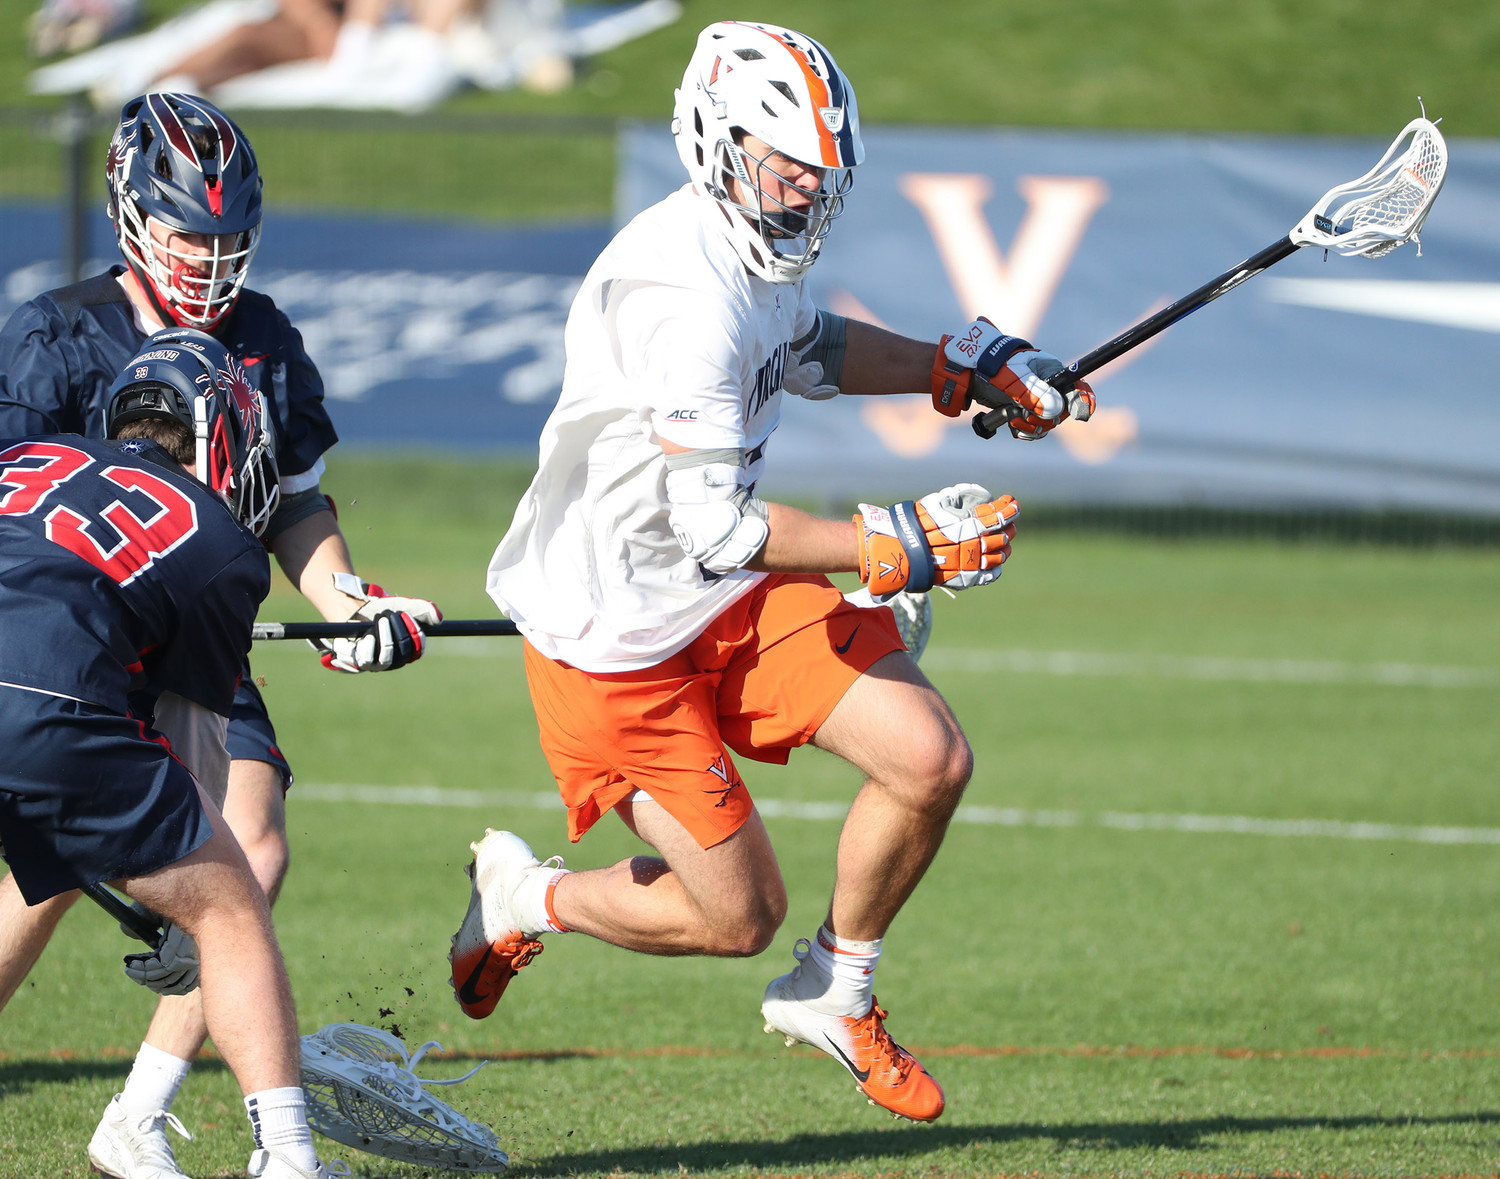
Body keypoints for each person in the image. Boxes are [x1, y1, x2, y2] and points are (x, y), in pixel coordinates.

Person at [448, 19, 1095, 1124]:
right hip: (618, 639)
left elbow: (810, 350)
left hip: (721, 598)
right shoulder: (678, 293)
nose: (801, 192)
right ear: (715, 137)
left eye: (817, 173)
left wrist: (962, 368)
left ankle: (837, 991)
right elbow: (722, 530)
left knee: (928, 761)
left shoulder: (743, 246)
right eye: (782, 165)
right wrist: (898, 544)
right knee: (736, 916)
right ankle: (527, 895)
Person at [0, 91, 439, 1178]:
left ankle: (140, 1115)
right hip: (84, 630)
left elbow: (292, 497)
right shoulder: (55, 333)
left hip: (199, 612)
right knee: (52, 877)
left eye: (225, 236)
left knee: (251, 849)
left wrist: (343, 600)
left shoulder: (264, 336)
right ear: (130, 218)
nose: (207, 258)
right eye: (186, 234)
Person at [0, 329, 339, 1179]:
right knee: (231, 904)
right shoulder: (219, 540)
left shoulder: (28, 452)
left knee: (41, 869)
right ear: (224, 433)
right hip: (46, 704)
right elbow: (191, 756)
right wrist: (184, 904)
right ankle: (289, 1158)